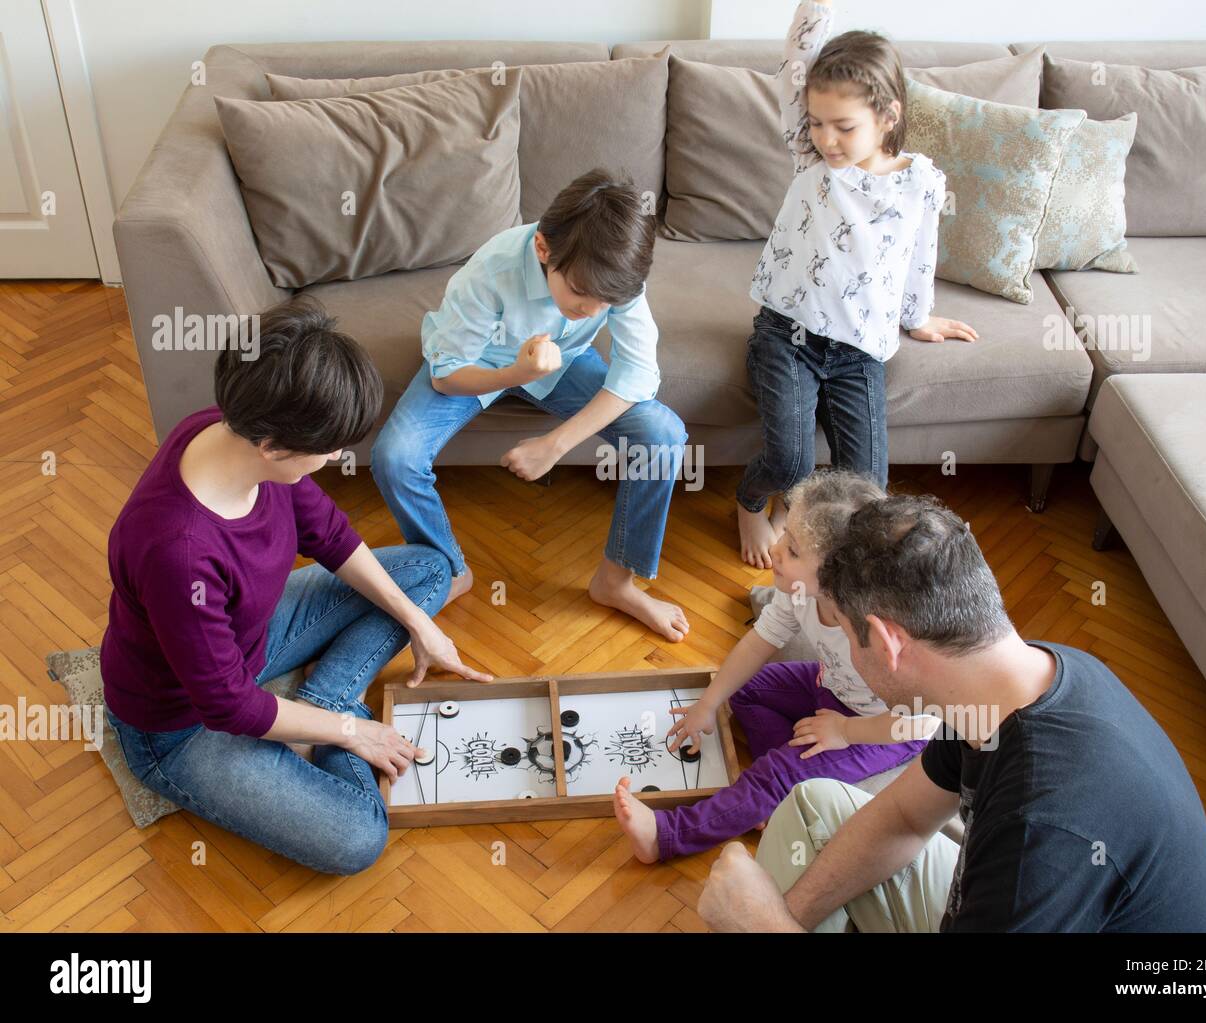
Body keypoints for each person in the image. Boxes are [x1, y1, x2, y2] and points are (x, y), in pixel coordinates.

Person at [698, 489, 1206, 932]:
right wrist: (783, 918)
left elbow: (1028, 859)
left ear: (886, 642)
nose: (843, 654)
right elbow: (904, 817)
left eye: (841, 627)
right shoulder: (1004, 684)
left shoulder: (1040, 834)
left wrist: (763, 927)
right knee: (812, 804)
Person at [101, 297, 489, 876]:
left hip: (250, 636)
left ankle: (325, 698)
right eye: (327, 448)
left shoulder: (232, 428)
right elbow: (230, 705)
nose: (335, 456)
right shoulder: (178, 555)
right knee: (357, 837)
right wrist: (358, 733)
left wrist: (420, 625)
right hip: (183, 724)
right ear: (272, 446)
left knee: (429, 571)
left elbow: (331, 535)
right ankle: (332, 711)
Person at [371, 169, 691, 642]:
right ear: (544, 250)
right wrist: (517, 374)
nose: (593, 311)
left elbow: (638, 374)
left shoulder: (615, 275)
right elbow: (445, 373)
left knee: (663, 436)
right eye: (580, 295)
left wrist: (554, 445)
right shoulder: (490, 271)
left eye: (607, 304)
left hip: (565, 364)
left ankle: (615, 582)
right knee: (394, 457)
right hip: (478, 364)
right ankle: (449, 570)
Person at [736, 0, 977, 569]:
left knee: (868, 489)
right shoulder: (810, 159)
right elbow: (797, 60)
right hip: (786, 336)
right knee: (791, 463)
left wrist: (917, 318)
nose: (827, 139)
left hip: (859, 351)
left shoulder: (920, 181)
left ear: (888, 117)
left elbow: (922, 255)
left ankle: (828, 563)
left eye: (844, 127)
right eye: (818, 123)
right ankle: (750, 501)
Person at [613, 471, 936, 861]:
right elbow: (756, 644)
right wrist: (709, 704)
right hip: (828, 687)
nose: (777, 550)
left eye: (794, 550)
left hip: (879, 729)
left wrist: (846, 731)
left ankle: (667, 837)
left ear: (839, 577)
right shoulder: (797, 590)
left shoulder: (878, 634)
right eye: (786, 534)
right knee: (745, 690)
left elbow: (922, 721)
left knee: (777, 774)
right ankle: (777, 796)